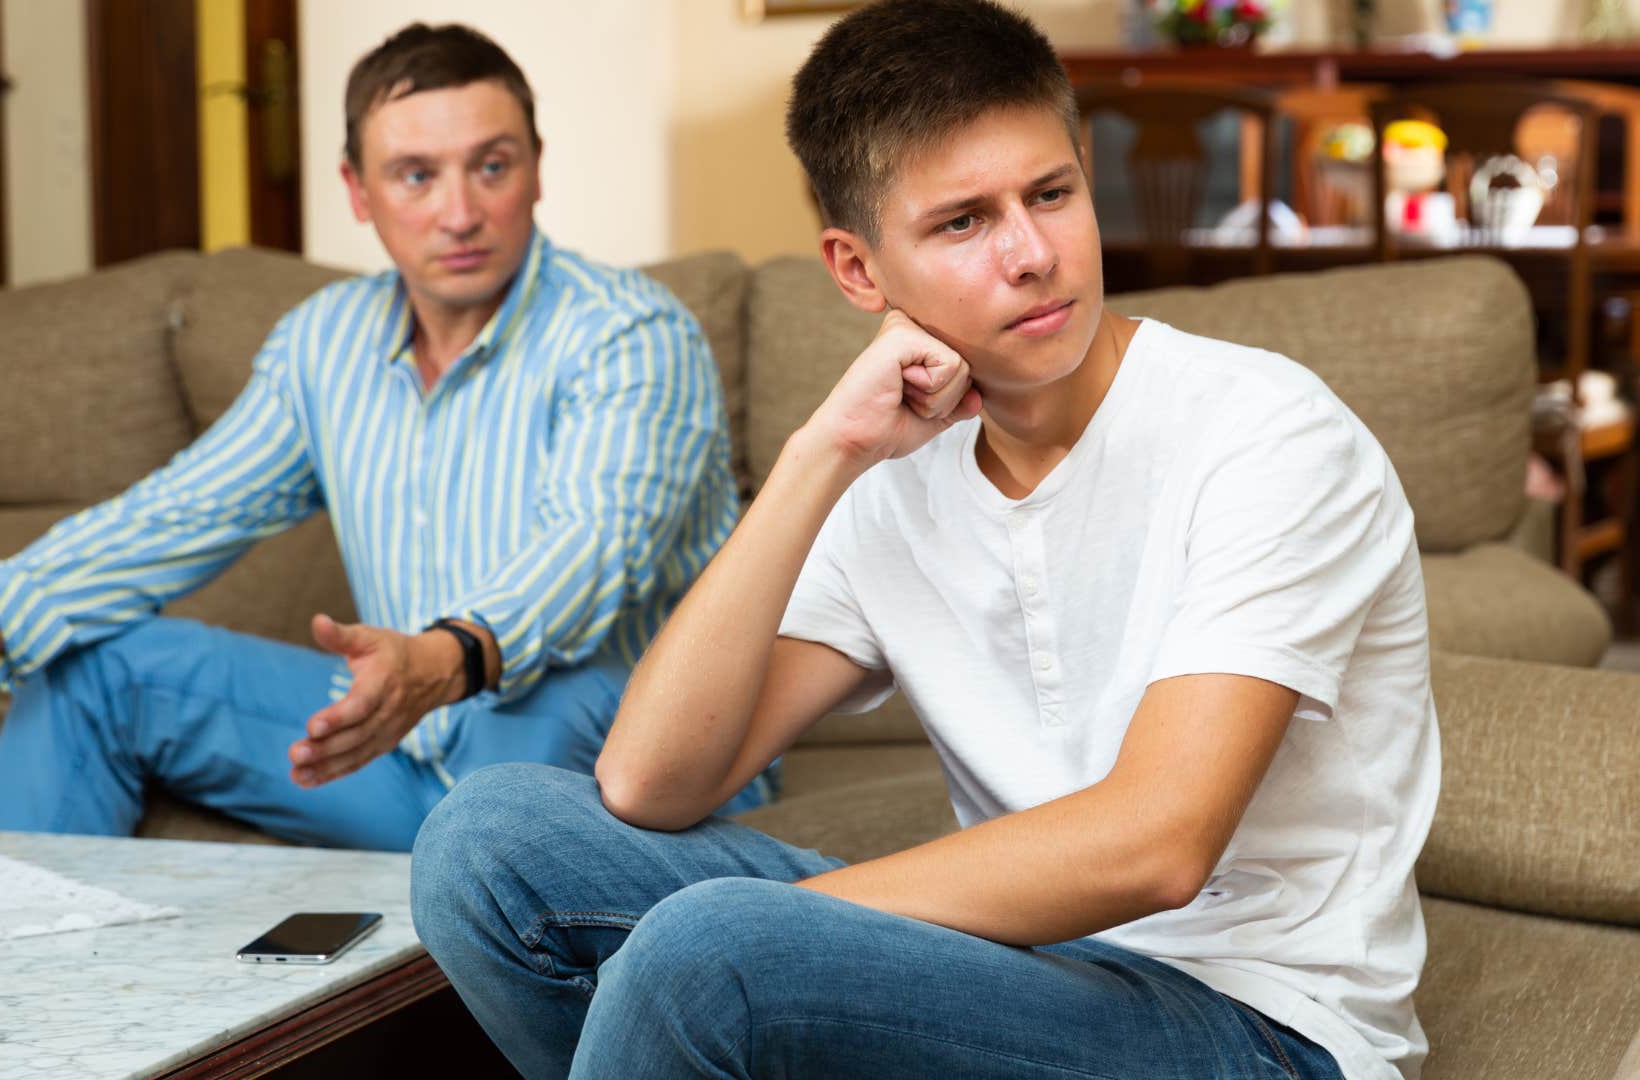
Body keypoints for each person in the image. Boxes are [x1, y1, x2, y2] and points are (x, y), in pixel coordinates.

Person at [408, 2, 1439, 1078]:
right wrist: (820, 455)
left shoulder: (1268, 432)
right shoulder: (891, 474)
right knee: (487, 841)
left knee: (710, 957)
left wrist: (771, 934)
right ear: (858, 272)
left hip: (1265, 1029)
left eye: (1052, 194)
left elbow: (1158, 844)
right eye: (963, 223)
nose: (1033, 254)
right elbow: (648, 783)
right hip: (1017, 973)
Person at [0, 23, 761, 850]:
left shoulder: (631, 334)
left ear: (536, 171)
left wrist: (443, 659)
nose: (459, 211)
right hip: (403, 739)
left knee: (572, 690)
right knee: (96, 670)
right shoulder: (326, 341)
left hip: (600, 748)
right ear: (357, 193)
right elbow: (177, 515)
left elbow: (594, 550)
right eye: (414, 176)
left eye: (490, 166)